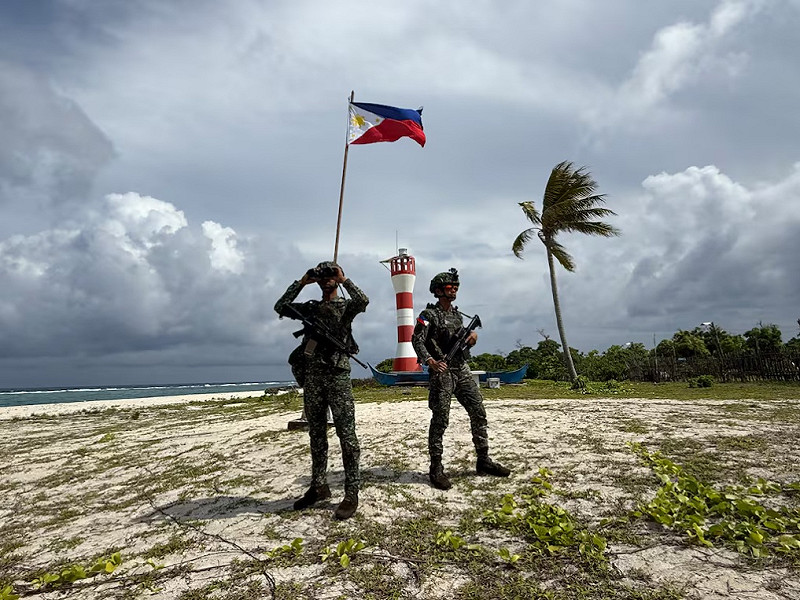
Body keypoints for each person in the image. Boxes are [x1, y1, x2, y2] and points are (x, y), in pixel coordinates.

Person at [274, 261, 368, 519]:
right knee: (316, 434)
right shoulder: (311, 308)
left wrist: (344, 279)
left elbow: (363, 301)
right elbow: (280, 306)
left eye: (330, 275)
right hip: (313, 376)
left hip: (337, 375)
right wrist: (302, 281)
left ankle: (351, 493)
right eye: (322, 275)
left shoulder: (345, 306)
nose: (326, 279)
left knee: (347, 436)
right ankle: (318, 486)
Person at [411, 268, 510, 490]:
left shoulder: (457, 315)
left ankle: (483, 460)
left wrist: (472, 338)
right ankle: (436, 468)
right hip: (442, 371)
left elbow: (464, 341)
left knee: (478, 411)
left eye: (456, 286)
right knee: (440, 419)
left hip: (461, 369)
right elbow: (416, 339)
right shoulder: (428, 315)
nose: (454, 289)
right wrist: (430, 361)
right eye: (449, 286)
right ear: (438, 290)